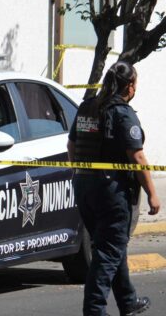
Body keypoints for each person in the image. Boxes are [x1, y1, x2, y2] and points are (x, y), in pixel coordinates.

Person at [68, 61, 160, 316]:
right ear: (129, 86)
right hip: (111, 192)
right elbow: (137, 157)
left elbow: (72, 144)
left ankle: (128, 301)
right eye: (135, 83)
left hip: (84, 187)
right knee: (108, 252)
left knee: (110, 245)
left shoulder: (87, 106)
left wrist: (80, 172)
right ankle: (94, 309)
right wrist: (153, 193)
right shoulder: (122, 113)